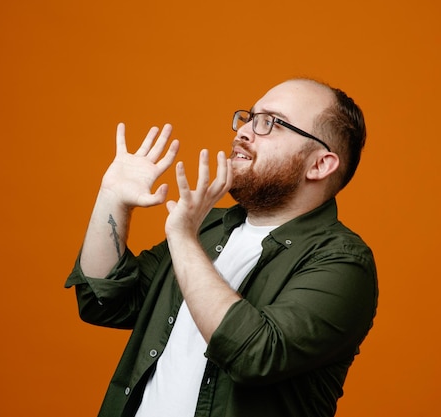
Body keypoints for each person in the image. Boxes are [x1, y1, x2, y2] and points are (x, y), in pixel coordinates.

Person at [65, 78, 378, 417]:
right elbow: (105, 302)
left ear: (320, 164)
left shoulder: (343, 262)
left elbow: (253, 354)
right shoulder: (210, 227)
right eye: (249, 117)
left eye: (270, 123)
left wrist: (183, 238)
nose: (244, 131)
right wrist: (112, 197)